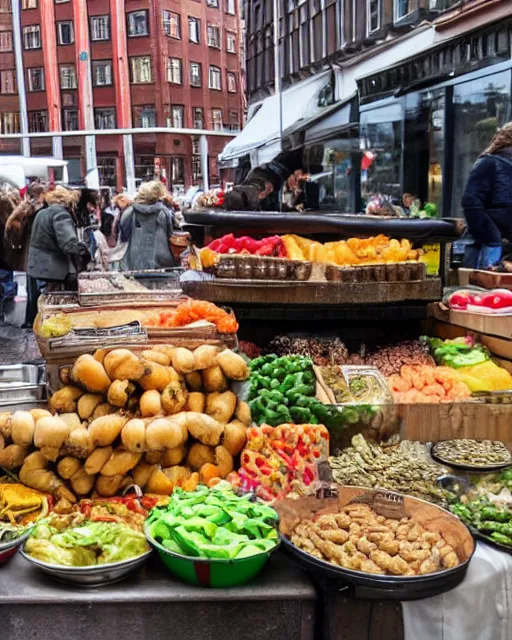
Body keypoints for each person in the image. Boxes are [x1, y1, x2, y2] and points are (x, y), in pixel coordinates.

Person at [462, 122, 512, 268]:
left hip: (504, 247)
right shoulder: (489, 163)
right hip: (492, 247)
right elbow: (471, 202)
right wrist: (492, 238)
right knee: (488, 287)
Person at [27, 185, 90, 290]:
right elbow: (69, 244)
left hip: (40, 268)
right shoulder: (60, 214)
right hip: (55, 271)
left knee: (42, 302)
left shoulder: (42, 213)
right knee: (59, 302)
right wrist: (84, 251)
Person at [4, 183, 47, 326]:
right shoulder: (35, 211)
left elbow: (12, 229)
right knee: (37, 288)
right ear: (40, 195)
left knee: (32, 288)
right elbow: (13, 228)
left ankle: (30, 319)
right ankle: (33, 319)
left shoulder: (26, 210)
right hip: (35, 253)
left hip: (30, 253)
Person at [120, 181, 176, 270]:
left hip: (134, 263)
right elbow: (172, 235)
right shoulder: (165, 212)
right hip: (163, 263)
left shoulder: (129, 212)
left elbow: (123, 237)